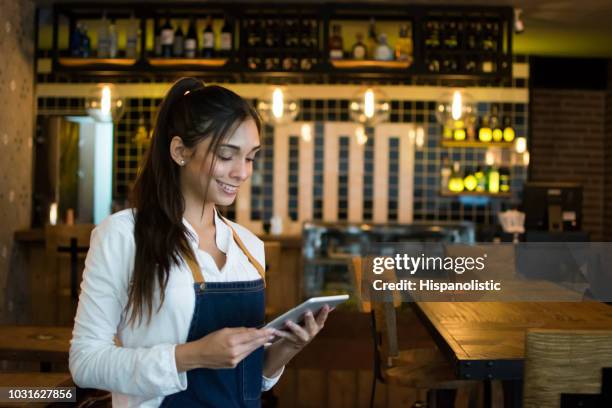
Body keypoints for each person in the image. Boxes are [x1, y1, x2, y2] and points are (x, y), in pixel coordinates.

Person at [69, 78, 331, 407]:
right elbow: (85, 364)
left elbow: (250, 380)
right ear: (180, 151)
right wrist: (190, 356)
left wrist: (286, 349)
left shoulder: (249, 247)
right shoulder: (124, 235)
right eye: (226, 155)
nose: (242, 172)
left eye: (250, 157)